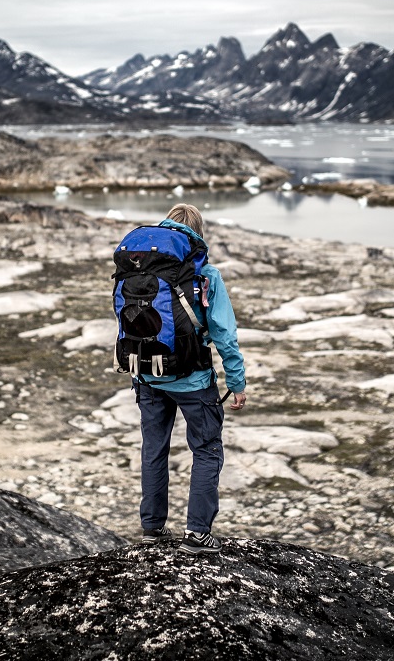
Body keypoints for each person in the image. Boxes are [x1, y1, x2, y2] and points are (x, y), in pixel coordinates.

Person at [133, 203, 247, 555]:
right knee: (207, 450)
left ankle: (152, 528)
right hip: (194, 380)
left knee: (154, 449)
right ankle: (198, 534)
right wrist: (237, 381)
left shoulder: (137, 270)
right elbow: (224, 333)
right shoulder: (205, 275)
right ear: (198, 232)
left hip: (148, 376)